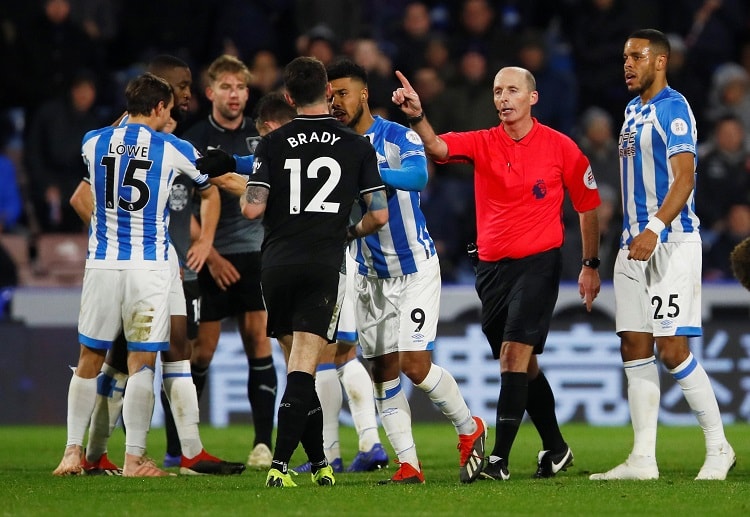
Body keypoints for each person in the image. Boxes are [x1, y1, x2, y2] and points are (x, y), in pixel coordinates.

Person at [392, 65, 602, 481]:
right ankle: (556, 447)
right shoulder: (483, 142)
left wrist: (590, 265)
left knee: (513, 355)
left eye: (511, 91)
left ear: (532, 97)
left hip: (540, 263)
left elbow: (588, 205)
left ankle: (498, 460)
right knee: (524, 366)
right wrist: (417, 115)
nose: (503, 98)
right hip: (490, 269)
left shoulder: (563, 148)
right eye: (497, 91)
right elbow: (435, 148)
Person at [206, 56, 389, 488]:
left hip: (275, 263)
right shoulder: (356, 145)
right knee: (305, 367)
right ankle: (280, 465)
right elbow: (378, 215)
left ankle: (322, 464)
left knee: (296, 367)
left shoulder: (272, 143)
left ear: (288, 97)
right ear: (328, 92)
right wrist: (349, 231)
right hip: (323, 262)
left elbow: (252, 208)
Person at [69, 55, 244, 476]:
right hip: (146, 263)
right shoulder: (170, 145)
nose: (186, 95)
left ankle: (184, 452)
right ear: (160, 99)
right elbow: (214, 182)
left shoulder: (96, 140)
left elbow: (209, 189)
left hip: (129, 261)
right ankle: (116, 456)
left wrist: (202, 239)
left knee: (164, 349)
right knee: (132, 361)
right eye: (179, 88)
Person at [329, 59, 487, 485]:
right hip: (368, 275)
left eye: (342, 93)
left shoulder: (396, 135)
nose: (335, 103)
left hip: (414, 269)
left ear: (363, 94)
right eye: (329, 96)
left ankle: (470, 428)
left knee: (415, 364)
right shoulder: (332, 145)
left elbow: (419, 177)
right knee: (382, 370)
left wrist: (366, 172)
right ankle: (409, 464)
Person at [589, 28, 735, 481]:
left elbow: (685, 179)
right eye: (624, 56)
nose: (627, 64)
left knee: (672, 349)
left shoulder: (674, 109)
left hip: (669, 243)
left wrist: (654, 228)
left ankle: (719, 447)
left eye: (637, 56)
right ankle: (642, 459)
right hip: (633, 245)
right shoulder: (633, 111)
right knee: (634, 345)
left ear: (660, 61)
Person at [181, 55, 278, 470]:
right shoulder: (194, 138)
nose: (234, 94)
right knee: (200, 352)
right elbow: (179, 204)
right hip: (207, 254)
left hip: (256, 252)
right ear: (210, 92)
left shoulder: (263, 138)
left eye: (240, 87)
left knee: (259, 337)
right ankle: (182, 444)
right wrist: (212, 254)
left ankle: (262, 444)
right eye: (226, 86)